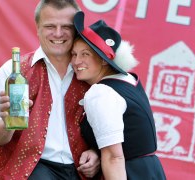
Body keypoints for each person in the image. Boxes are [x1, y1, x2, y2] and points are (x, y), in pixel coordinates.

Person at [0, 1, 101, 179]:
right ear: (37, 28)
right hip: (29, 171)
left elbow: (110, 131)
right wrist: (7, 122)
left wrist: (96, 153)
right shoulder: (14, 71)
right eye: (50, 26)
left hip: (80, 172)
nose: (58, 33)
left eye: (66, 27)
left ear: (76, 30)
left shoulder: (91, 74)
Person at [71, 11, 167, 180]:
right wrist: (96, 150)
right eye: (74, 54)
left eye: (85, 54)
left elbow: (114, 158)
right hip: (151, 171)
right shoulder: (129, 80)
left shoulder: (101, 92)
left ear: (103, 60)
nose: (77, 61)